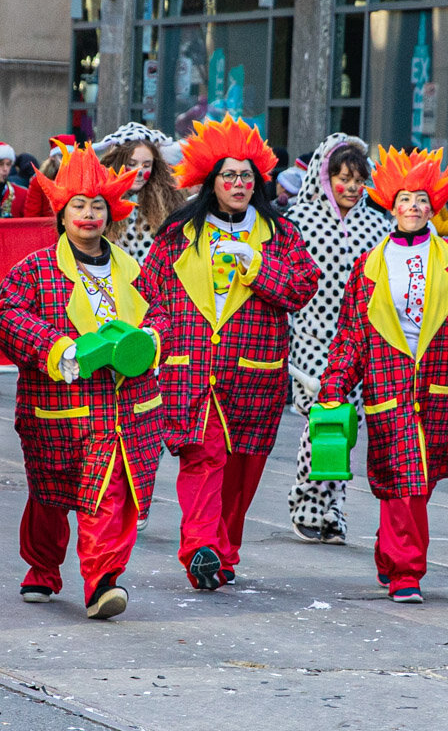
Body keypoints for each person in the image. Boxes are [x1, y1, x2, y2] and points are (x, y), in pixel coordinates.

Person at [312, 148, 448, 601]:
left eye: (422, 199)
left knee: (417, 483)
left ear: (434, 205)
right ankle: (406, 572)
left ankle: (391, 550)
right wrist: (335, 386)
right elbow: (351, 334)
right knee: (403, 481)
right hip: (387, 384)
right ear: (391, 204)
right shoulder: (370, 265)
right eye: (406, 199)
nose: (415, 207)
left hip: (440, 387)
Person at [139, 115, 319, 590]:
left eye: (246, 176)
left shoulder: (280, 235)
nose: (238, 184)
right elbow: (148, 296)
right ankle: (199, 546)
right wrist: (154, 340)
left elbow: (302, 289)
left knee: (242, 469)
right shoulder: (177, 234)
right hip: (191, 370)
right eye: (228, 175)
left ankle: (223, 552)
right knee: (203, 456)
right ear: (211, 181)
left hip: (255, 373)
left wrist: (257, 266)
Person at [0, 145, 161, 620]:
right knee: (50, 497)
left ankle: (102, 581)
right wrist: (56, 348)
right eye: (79, 206)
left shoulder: (132, 270)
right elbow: (3, 315)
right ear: (61, 213)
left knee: (109, 494)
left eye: (97, 206)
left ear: (112, 213)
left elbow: (164, 315)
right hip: (60, 411)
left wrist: (150, 339)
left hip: (123, 411)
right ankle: (42, 567)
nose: (88, 215)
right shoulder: (37, 269)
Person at [282, 134, 388, 544]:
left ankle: (333, 508)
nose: (350, 187)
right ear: (325, 177)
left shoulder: (377, 224)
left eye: (359, 180)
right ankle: (305, 503)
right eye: (343, 178)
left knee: (345, 428)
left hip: (359, 341)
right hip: (309, 338)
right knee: (321, 422)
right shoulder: (298, 220)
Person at [98, 122, 185, 262]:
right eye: (132, 164)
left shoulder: (168, 201)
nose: (139, 172)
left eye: (146, 165)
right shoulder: (100, 202)